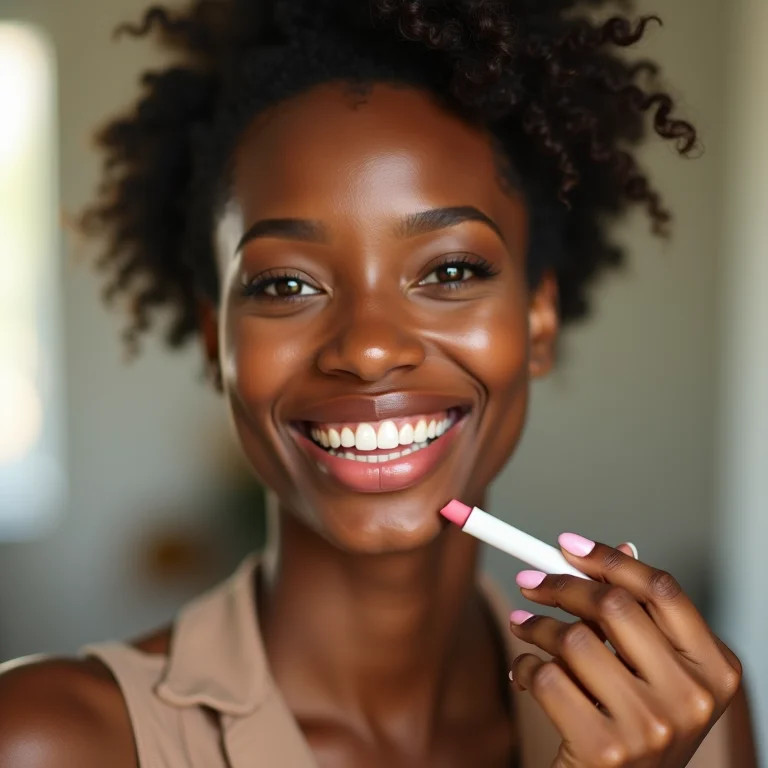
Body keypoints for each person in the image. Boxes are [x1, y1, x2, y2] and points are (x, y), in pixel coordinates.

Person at [0, 1, 758, 766]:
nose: (366, 349)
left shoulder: (688, 721)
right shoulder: (45, 741)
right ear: (214, 338)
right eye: (286, 285)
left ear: (537, 322)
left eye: (450, 271)